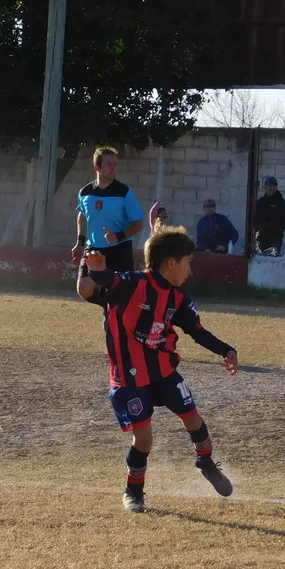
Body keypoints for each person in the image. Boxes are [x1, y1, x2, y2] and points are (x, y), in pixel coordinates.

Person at [83, 225, 239, 513]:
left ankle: (205, 461)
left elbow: (197, 331)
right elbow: (108, 281)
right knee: (143, 439)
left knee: (193, 419)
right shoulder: (133, 284)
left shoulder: (178, 298)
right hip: (130, 376)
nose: (190, 271)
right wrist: (96, 269)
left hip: (164, 371)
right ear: (171, 262)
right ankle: (133, 492)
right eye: (188, 263)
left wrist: (226, 350)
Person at [71, 146, 145, 307]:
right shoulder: (85, 192)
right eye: (109, 164)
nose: (114, 168)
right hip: (94, 249)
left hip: (120, 249)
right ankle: (106, 305)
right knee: (84, 288)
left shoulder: (124, 192)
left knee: (122, 295)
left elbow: (139, 223)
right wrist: (80, 242)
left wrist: (118, 236)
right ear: (97, 167)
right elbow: (82, 215)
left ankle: (113, 309)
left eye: (116, 164)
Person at [252, 177, 285, 255]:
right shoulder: (261, 202)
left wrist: (276, 228)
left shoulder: (281, 203)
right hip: (262, 237)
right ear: (265, 186)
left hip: (275, 238)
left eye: (274, 185)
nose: (272, 187)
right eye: (270, 185)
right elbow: (255, 219)